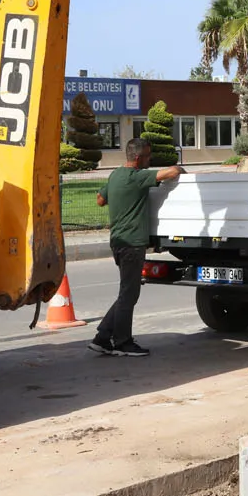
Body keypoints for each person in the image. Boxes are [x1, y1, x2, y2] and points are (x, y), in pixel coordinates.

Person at [91, 137, 183, 357]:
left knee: (127, 292)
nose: (150, 160)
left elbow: (99, 200)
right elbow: (170, 173)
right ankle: (122, 342)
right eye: (148, 156)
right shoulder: (137, 177)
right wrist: (179, 167)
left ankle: (103, 337)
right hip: (132, 244)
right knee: (129, 295)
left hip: (118, 241)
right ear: (139, 157)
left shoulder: (115, 175)